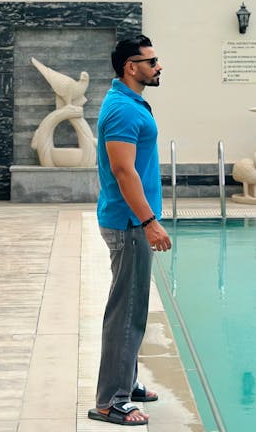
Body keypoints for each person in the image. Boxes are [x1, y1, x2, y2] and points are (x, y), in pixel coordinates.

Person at [88, 35, 172, 427]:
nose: (158, 66)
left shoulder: (130, 101)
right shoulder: (122, 109)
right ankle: (111, 402)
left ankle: (128, 381)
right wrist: (148, 221)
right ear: (130, 67)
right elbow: (123, 171)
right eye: (151, 61)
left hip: (130, 220)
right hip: (129, 223)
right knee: (126, 311)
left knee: (134, 307)